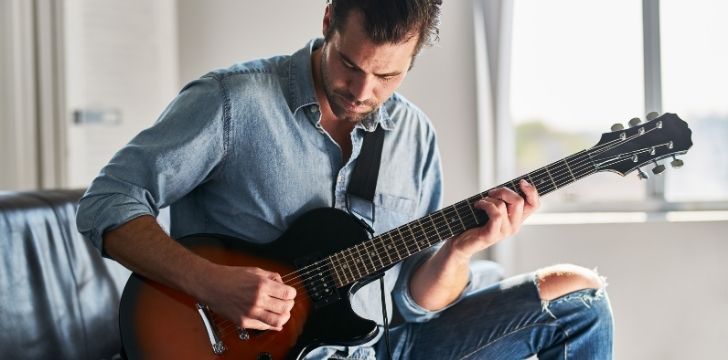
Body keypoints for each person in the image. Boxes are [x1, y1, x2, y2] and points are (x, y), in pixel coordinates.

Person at [77, 0, 613, 358]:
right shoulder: (233, 102)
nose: (362, 90)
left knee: (580, 299)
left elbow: (412, 303)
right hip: (253, 348)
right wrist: (209, 282)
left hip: (381, 345)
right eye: (349, 65)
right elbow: (107, 202)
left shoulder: (414, 135)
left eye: (387, 75)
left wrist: (459, 250)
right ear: (329, 19)